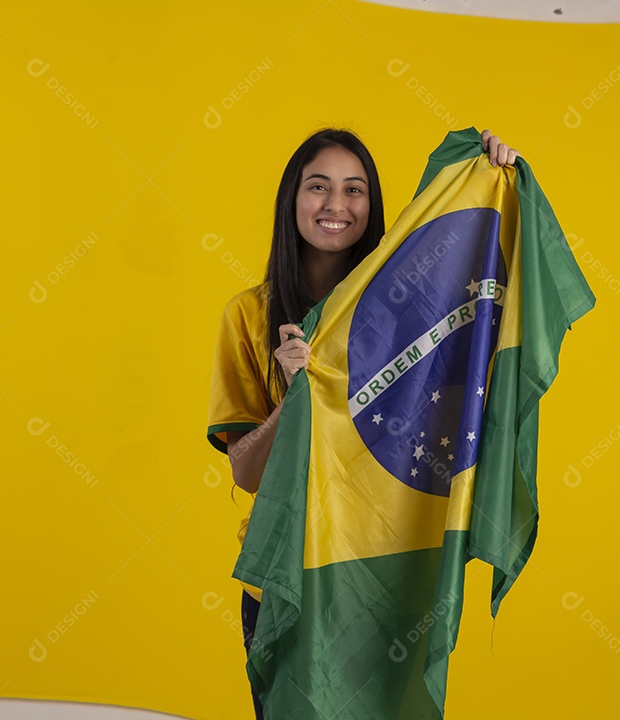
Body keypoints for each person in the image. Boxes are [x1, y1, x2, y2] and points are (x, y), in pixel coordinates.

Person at [206, 126, 520, 719]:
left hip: (381, 570)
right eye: (318, 187)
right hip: (286, 578)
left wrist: (490, 174)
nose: (336, 206)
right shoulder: (247, 315)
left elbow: (476, 298)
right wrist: (296, 393)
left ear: (371, 207)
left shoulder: (409, 314)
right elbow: (247, 473)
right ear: (291, 201)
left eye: (355, 190)